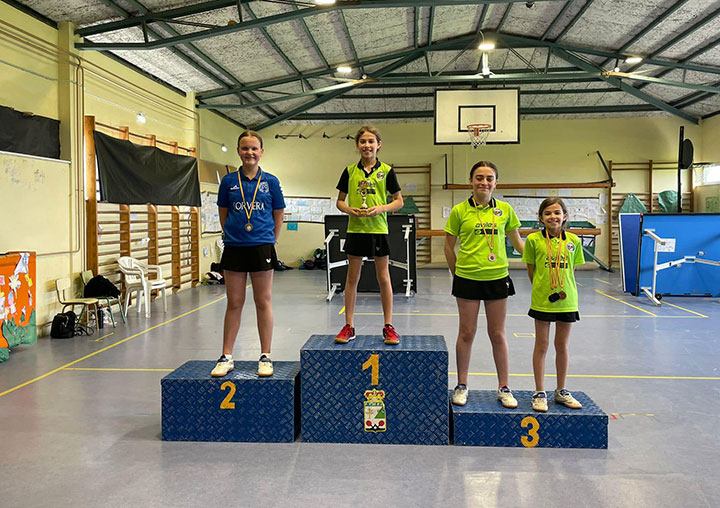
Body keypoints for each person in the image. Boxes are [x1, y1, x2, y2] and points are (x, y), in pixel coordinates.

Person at [444, 161, 524, 408]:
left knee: (497, 333)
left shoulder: (505, 210)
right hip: (467, 278)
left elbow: (519, 244)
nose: (484, 182)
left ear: (496, 182)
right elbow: (448, 246)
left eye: (489, 178)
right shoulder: (459, 211)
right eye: (479, 177)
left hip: (497, 277)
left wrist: (543, 256)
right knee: (466, 333)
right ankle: (462, 385)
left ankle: (504, 387)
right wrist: (457, 274)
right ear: (471, 181)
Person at [211, 130, 285, 378]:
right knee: (234, 302)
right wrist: (231, 233)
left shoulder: (271, 181)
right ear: (238, 151)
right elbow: (223, 212)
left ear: (262, 152)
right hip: (235, 245)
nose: (250, 153)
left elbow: (278, 213)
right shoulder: (229, 181)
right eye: (245, 148)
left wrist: (271, 238)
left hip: (262, 244)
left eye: (254, 148)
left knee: (263, 301)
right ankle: (226, 356)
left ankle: (265, 355)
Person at [334, 125, 404, 345]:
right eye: (363, 141)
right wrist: (349, 210)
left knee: (383, 277)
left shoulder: (387, 171)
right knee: (352, 278)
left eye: (371, 141)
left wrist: (381, 208)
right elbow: (340, 201)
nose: (367, 145)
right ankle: (349, 325)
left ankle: (389, 326)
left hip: (378, 230)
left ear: (378, 145)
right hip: (356, 230)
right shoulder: (350, 171)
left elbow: (399, 201)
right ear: (358, 145)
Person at [522, 197, 585, 412]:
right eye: (548, 213)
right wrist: (542, 289)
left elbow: (572, 271)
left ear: (565, 216)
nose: (553, 217)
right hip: (542, 301)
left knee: (562, 346)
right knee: (541, 345)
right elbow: (532, 271)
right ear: (540, 218)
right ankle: (540, 391)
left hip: (567, 301)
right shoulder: (533, 240)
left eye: (557, 212)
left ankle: (561, 390)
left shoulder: (574, 241)